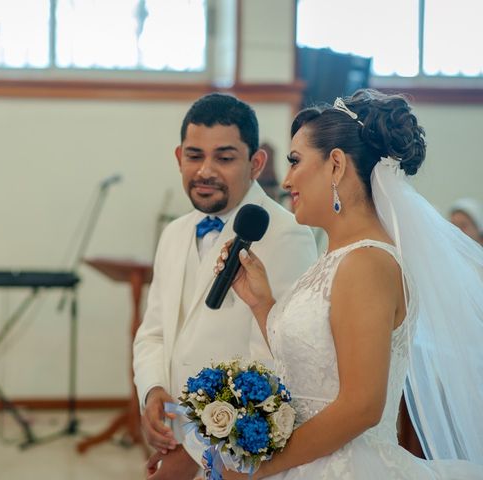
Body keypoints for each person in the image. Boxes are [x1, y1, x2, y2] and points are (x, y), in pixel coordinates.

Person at [209, 90, 483, 479]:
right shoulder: (339, 258)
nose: (286, 181)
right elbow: (315, 370)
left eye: (295, 161)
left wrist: (259, 467)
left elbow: (362, 406)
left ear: (336, 165)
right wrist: (260, 303)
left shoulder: (368, 263)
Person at [133, 93, 318, 478]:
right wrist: (152, 391)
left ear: (255, 163)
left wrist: (198, 448)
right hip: (178, 432)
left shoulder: (286, 234)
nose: (205, 171)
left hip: (242, 450)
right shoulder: (173, 233)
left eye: (225, 157)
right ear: (178, 157)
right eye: (194, 155)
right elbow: (153, 332)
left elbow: (278, 362)